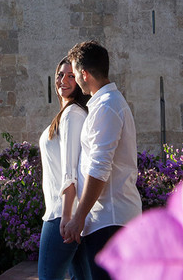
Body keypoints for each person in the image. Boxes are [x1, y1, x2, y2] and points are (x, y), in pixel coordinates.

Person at [62, 40, 142, 280]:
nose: (74, 79)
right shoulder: (104, 104)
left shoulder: (107, 107)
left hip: (111, 219)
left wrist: (78, 217)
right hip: (105, 220)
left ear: (85, 74)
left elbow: (99, 168)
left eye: (75, 73)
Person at [38, 59, 91, 280]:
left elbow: (71, 171)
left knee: (48, 277)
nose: (63, 80)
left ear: (79, 81)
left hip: (62, 214)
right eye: (60, 75)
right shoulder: (68, 113)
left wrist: (67, 216)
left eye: (71, 76)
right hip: (70, 214)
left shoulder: (72, 115)